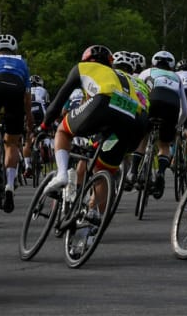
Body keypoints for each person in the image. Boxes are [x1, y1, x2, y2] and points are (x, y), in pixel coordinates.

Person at [39, 45, 148, 255]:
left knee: (63, 131)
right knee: (102, 171)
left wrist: (43, 127)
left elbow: (58, 102)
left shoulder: (83, 68)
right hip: (136, 120)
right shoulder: (124, 76)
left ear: (87, 59)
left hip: (105, 105)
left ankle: (61, 175)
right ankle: (86, 229)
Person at [0, 34, 33, 213]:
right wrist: (28, 119)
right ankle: (9, 184)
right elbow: (27, 96)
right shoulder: (22, 62)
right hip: (16, 89)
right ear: (14, 49)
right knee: (12, 143)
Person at [133, 50, 187, 198]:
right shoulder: (177, 77)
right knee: (164, 145)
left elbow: (137, 93)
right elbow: (185, 110)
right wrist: (177, 125)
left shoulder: (146, 72)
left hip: (152, 103)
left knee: (142, 138)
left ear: (153, 62)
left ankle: (132, 172)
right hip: (172, 108)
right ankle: (161, 174)